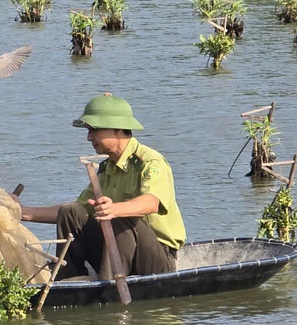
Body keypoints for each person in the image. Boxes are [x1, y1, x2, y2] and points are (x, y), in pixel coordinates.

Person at [18, 93, 185, 280]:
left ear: (117, 129)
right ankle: (70, 281)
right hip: (116, 251)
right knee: (70, 211)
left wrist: (115, 209)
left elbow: (151, 203)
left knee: (120, 217)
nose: (89, 137)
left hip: (155, 258)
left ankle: (109, 284)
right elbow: (80, 208)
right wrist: (22, 213)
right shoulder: (107, 168)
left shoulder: (150, 161)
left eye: (94, 130)